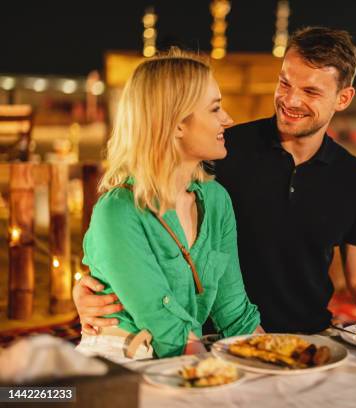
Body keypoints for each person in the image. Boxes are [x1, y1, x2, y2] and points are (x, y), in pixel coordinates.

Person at [74, 27, 356, 336]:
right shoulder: (218, 151)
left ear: (343, 98)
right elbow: (138, 224)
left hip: (306, 332)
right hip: (207, 336)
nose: (290, 100)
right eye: (285, 83)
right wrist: (90, 288)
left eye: (311, 92)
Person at [74, 49, 261, 362]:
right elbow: (168, 327)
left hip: (313, 329)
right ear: (176, 125)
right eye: (216, 109)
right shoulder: (118, 210)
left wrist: (283, 363)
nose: (228, 120)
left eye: (312, 90)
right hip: (125, 360)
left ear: (344, 96)